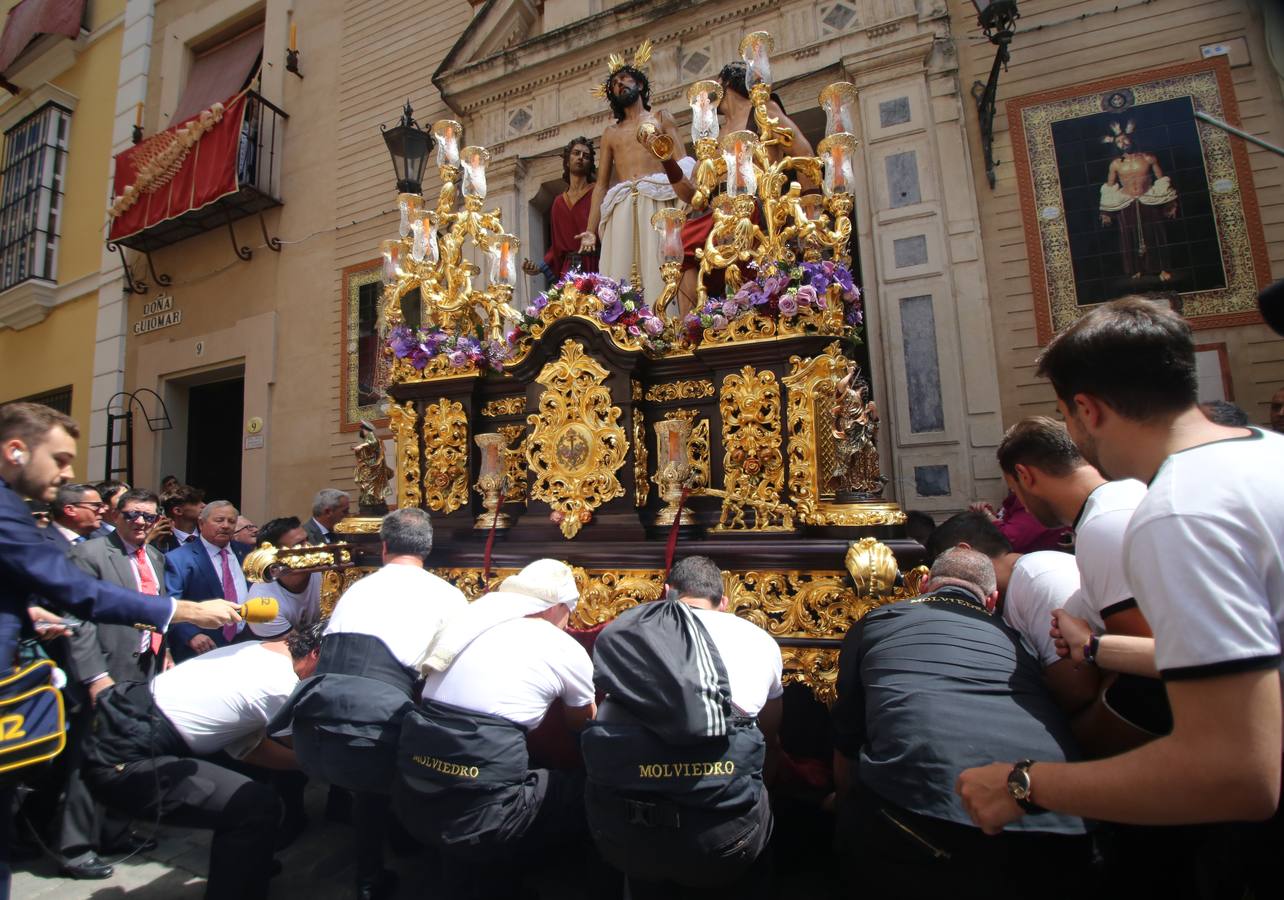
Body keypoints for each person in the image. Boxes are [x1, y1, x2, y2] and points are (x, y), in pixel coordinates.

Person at [955, 298, 1282, 893]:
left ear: (1085, 410)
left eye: (1067, 415)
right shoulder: (1267, 453)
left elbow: (1237, 771)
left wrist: (1023, 784)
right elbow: (1230, 655)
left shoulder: (1177, 510)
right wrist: (1100, 647)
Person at [0, 402, 240, 899]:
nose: (68, 473)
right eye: (61, 459)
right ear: (16, 450)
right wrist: (186, 612)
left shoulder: (149, 553)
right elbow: (75, 590)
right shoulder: (9, 510)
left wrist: (27, 613)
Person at [833, 547, 1089, 899]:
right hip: (1056, 821)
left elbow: (848, 735)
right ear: (992, 600)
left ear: (924, 584)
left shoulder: (879, 621)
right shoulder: (1014, 639)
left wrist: (842, 800)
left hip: (916, 822)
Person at [272, 507, 466, 900]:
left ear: (382, 547)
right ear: (428, 549)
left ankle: (370, 873)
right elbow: (446, 667)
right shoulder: (447, 595)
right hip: (375, 726)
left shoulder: (356, 588)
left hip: (310, 726)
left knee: (372, 783)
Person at [394, 559, 600, 897]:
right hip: (483, 809)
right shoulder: (560, 645)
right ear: (558, 607)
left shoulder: (470, 624)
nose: (570, 621)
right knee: (580, 788)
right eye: (570, 612)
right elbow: (582, 723)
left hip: (412, 792)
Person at [582, 555, 782, 899]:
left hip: (624, 837)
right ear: (725, 601)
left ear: (666, 593)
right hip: (724, 841)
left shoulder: (630, 632)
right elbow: (772, 732)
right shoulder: (757, 638)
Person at [83, 625, 323, 900]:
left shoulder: (262, 651)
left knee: (257, 802)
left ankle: (248, 870)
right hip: (127, 757)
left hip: (129, 727)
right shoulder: (282, 684)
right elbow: (310, 748)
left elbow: (250, 748)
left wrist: (308, 764)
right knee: (251, 806)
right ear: (315, 653)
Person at [677, 61, 815, 316]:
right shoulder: (716, 134)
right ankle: (689, 323)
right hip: (719, 212)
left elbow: (804, 154)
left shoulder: (763, 111)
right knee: (681, 242)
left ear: (724, 84)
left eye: (713, 87)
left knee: (703, 238)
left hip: (757, 205)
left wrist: (810, 212)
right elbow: (698, 184)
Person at [925, 512, 1095, 715]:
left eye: (941, 568)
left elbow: (1077, 691)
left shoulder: (1039, 579)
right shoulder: (1014, 590)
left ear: (963, 553)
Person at [580, 43, 693, 303]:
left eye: (624, 79)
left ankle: (664, 320)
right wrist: (589, 229)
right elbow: (601, 185)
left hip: (658, 202)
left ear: (640, 85)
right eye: (615, 84)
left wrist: (687, 196)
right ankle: (623, 325)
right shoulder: (610, 133)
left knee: (660, 266)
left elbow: (682, 161)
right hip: (621, 206)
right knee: (620, 269)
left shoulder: (661, 118)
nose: (620, 85)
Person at [164, 501, 250, 661]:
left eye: (231, 521)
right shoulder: (179, 559)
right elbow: (171, 604)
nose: (225, 526)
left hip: (245, 644)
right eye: (219, 520)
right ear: (201, 523)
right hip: (202, 648)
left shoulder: (247, 553)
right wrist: (191, 635)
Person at [1098, 120, 1178, 283]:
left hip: (1148, 198)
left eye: (1125, 139)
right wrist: (1105, 213)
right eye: (1119, 141)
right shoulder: (1115, 164)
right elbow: (1109, 186)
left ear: (1132, 138)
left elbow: (1161, 179)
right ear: (1116, 145)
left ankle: (1162, 268)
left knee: (1155, 233)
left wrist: (1171, 203)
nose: (1123, 143)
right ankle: (1136, 269)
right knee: (1128, 236)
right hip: (1126, 202)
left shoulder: (1148, 158)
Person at [524, 137, 599, 283]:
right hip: (569, 271)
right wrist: (540, 267)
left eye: (586, 156)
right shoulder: (558, 202)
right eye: (576, 153)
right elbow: (556, 248)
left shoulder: (597, 193)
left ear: (590, 164)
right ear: (567, 160)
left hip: (595, 264)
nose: (580, 158)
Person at [245, 516, 321, 639]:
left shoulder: (326, 573)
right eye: (298, 545)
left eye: (307, 540)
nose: (309, 548)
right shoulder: (261, 604)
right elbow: (296, 649)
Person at [153, 483, 205, 552]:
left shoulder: (210, 534)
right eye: (195, 502)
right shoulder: (162, 543)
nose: (204, 505)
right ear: (178, 511)